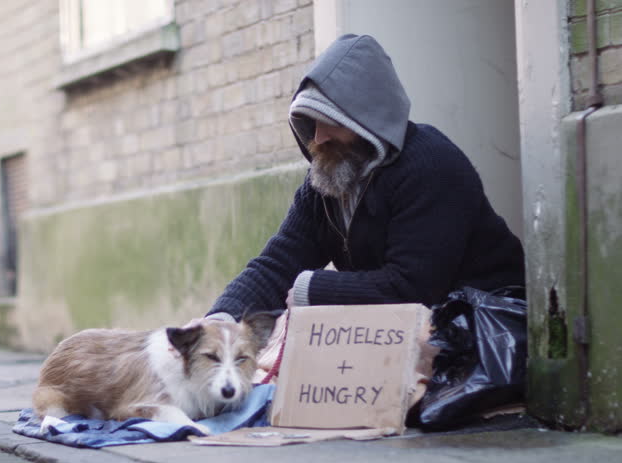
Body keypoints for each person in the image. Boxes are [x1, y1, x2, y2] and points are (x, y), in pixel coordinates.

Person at [205, 34, 525, 324]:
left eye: (331, 121)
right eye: (311, 122)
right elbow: (278, 263)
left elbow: (412, 289)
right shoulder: (327, 178)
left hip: (485, 325)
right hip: (410, 332)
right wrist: (220, 320)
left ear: (368, 120)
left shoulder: (432, 166)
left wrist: (313, 289)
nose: (319, 136)